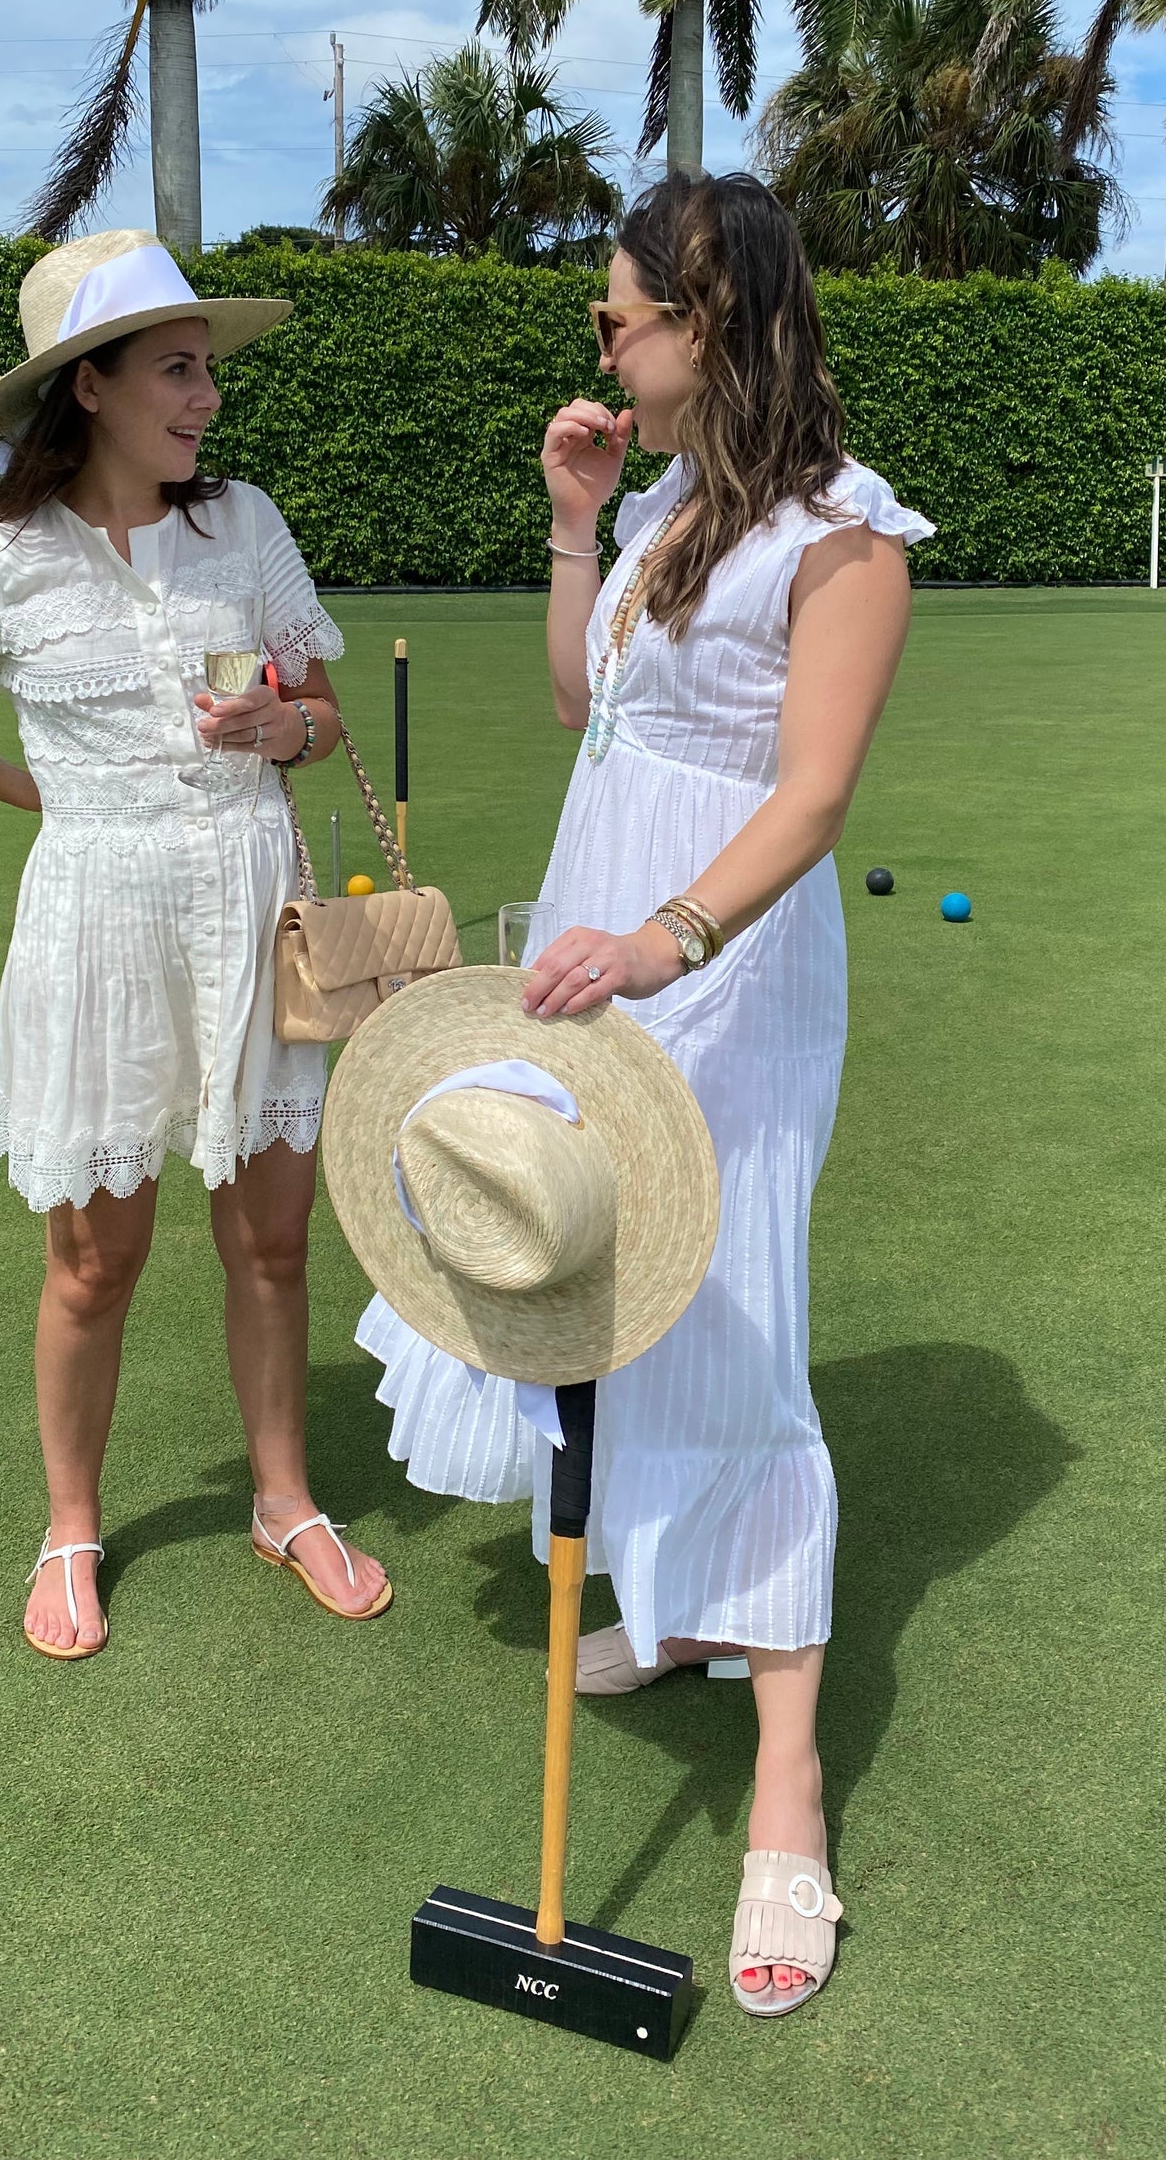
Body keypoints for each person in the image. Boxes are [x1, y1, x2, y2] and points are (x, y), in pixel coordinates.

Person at [358, 171, 931, 2013]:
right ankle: (673, 1611)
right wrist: (572, 525)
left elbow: (813, 795)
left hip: (723, 974)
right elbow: (579, 710)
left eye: (620, 315)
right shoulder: (671, 507)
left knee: (736, 1323)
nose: (597, 344)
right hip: (592, 955)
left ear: (716, 320)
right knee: (596, 1282)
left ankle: (786, 1785)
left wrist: (667, 941)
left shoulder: (842, 538)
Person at [0, 228, 391, 1658]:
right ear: (88, 387)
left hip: (253, 904)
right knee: (93, 1257)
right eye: (176, 370)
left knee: (271, 1239)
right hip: (98, 920)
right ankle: (70, 1524)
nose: (205, 397)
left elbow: (323, 718)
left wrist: (288, 727)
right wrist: (32, 789)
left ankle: (282, 1498)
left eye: (207, 370)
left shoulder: (245, 524)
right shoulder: (0, 557)